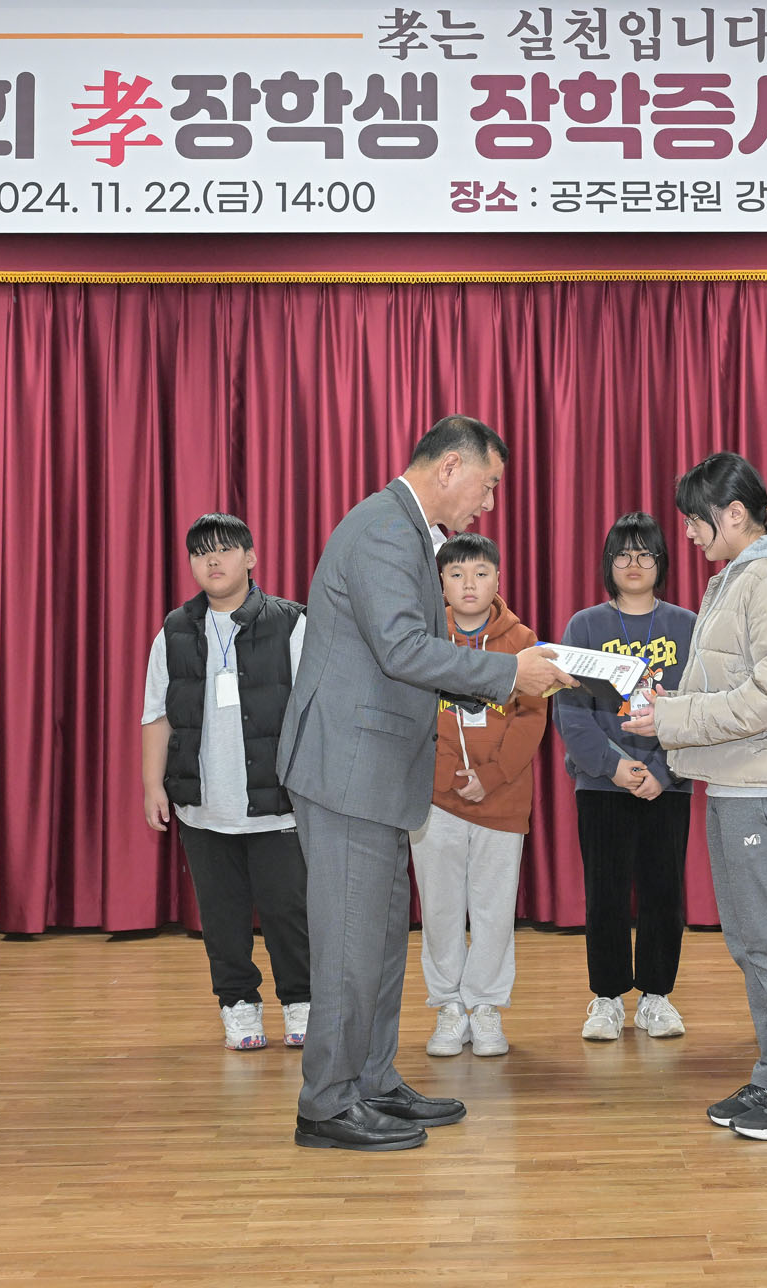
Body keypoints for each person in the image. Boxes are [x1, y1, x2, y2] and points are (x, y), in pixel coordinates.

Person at [277, 415, 574, 1152]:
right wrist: (508, 672)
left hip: (373, 771)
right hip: (349, 770)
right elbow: (403, 649)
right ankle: (326, 1104)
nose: (490, 503)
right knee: (348, 946)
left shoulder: (408, 531)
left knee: (378, 944)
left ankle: (372, 1081)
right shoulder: (385, 529)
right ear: (449, 469)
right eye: (488, 485)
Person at [624, 452, 767, 1141]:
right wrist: (671, 704)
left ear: (736, 515)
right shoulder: (742, 575)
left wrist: (675, 718)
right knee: (751, 943)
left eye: (695, 520)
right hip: (740, 779)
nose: (687, 533)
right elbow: (735, 683)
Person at [140, 512, 310, 1052]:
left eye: (225, 549)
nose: (212, 560)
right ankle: (238, 1006)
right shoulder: (174, 630)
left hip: (277, 802)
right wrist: (152, 786)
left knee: (289, 913)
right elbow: (156, 714)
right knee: (221, 918)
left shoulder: (291, 623)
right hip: (203, 804)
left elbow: (316, 712)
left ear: (251, 557)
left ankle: (302, 1002)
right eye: (200, 552)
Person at [554, 512, 695, 1043]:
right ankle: (607, 997)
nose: (633, 564)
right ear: (607, 564)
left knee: (664, 893)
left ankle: (657, 997)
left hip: (669, 784)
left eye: (645, 554)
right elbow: (571, 711)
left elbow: (701, 705)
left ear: (661, 562)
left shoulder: (688, 625)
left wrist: (661, 770)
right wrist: (615, 766)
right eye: (622, 555)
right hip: (601, 784)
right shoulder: (585, 626)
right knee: (606, 893)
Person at [414, 533, 549, 1058]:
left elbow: (531, 717)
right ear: (440, 583)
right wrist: (449, 776)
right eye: (456, 574)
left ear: (497, 579)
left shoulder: (523, 640)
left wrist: (489, 777)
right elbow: (416, 716)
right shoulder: (424, 639)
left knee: (493, 910)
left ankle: (487, 1006)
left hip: (503, 801)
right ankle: (449, 1006)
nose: (469, 584)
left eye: (480, 573)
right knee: (441, 909)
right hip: (435, 800)